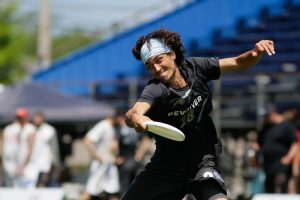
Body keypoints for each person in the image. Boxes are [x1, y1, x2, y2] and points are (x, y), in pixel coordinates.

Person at [122, 28, 276, 200]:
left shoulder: (196, 67)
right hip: (166, 167)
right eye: (149, 66)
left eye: (159, 60)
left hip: (202, 162)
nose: (157, 68)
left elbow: (239, 62)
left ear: (171, 54)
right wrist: (136, 117)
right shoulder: (155, 89)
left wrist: (256, 53)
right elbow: (134, 112)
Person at [258, 107, 298, 193]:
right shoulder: (266, 128)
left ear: (273, 114)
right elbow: (260, 143)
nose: (265, 118)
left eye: (266, 116)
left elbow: (295, 144)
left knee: (279, 186)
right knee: (269, 188)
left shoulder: (286, 126)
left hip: (281, 164)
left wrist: (288, 157)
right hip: (268, 165)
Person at [81, 114, 120, 200]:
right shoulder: (103, 125)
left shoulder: (111, 127)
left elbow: (110, 148)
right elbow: (87, 140)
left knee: (113, 192)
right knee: (89, 191)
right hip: (100, 164)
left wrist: (114, 154)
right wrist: (95, 156)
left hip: (109, 164)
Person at [1, 108, 36, 188]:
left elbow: (30, 149)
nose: (19, 119)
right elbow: (3, 146)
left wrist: (22, 166)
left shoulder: (30, 129)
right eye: (18, 117)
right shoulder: (9, 129)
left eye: (21, 117)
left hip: (25, 165)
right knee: (12, 187)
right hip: (11, 164)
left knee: (26, 187)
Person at [31, 111, 61, 187]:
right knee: (32, 184)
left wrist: (55, 162)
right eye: (36, 118)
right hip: (32, 163)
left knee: (42, 183)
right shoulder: (30, 129)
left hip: (45, 163)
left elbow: (54, 148)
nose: (37, 120)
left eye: (39, 118)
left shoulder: (49, 130)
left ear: (42, 118)